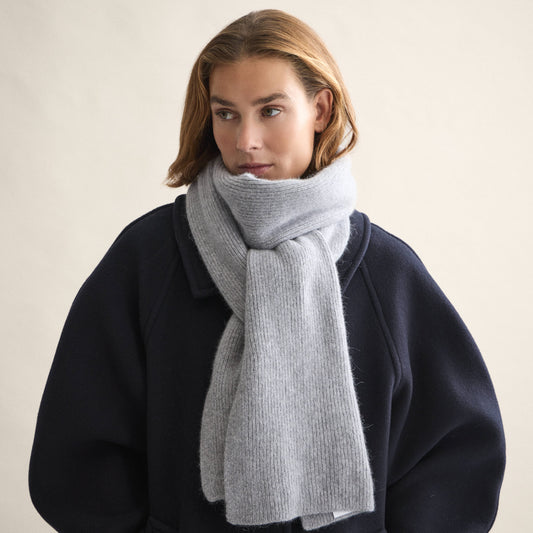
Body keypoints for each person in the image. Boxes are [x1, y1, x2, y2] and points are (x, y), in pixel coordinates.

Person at [29, 9, 505, 533]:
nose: (245, 140)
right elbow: (76, 444)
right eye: (226, 114)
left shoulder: (385, 272)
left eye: (270, 110)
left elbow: (457, 453)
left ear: (320, 109)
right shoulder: (150, 259)